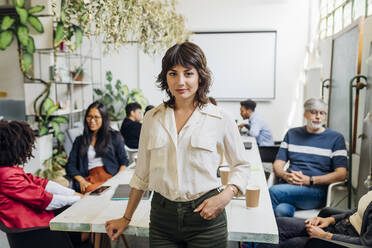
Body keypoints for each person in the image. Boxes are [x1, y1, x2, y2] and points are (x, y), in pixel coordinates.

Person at [105, 41, 250, 247]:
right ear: (165, 77)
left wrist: (225, 196)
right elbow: (141, 175)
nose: (180, 81)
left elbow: (241, 166)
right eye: (173, 73)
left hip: (206, 216)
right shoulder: (151, 118)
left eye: (188, 73)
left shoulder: (220, 118)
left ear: (200, 76)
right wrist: (126, 217)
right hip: (162, 219)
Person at [0, 120, 83, 244]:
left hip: (32, 220)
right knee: (79, 230)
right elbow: (43, 199)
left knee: (78, 229)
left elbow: (41, 183)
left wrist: (73, 194)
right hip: (30, 229)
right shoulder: (5, 175)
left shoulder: (9, 170)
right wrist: (78, 199)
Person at [269, 98, 347, 217]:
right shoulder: (292, 134)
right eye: (313, 112)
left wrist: (310, 180)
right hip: (289, 186)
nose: (318, 117)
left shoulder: (336, 138)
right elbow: (278, 164)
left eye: (322, 113)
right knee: (281, 210)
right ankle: (289, 234)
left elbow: (341, 174)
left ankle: (265, 234)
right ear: (305, 114)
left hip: (315, 191)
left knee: (272, 192)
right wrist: (286, 175)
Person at [270, 189, 372, 248]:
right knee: (279, 224)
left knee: (289, 243)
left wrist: (326, 236)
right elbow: (356, 211)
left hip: (342, 242)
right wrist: (330, 219)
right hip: (337, 227)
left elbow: (366, 243)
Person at [66, 101, 129, 193]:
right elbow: (70, 165)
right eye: (89, 117)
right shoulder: (79, 140)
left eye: (96, 117)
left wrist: (117, 179)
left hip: (110, 176)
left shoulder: (114, 137)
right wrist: (81, 180)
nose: (92, 121)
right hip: (89, 179)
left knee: (104, 192)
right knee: (93, 191)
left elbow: (124, 161)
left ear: (103, 118)